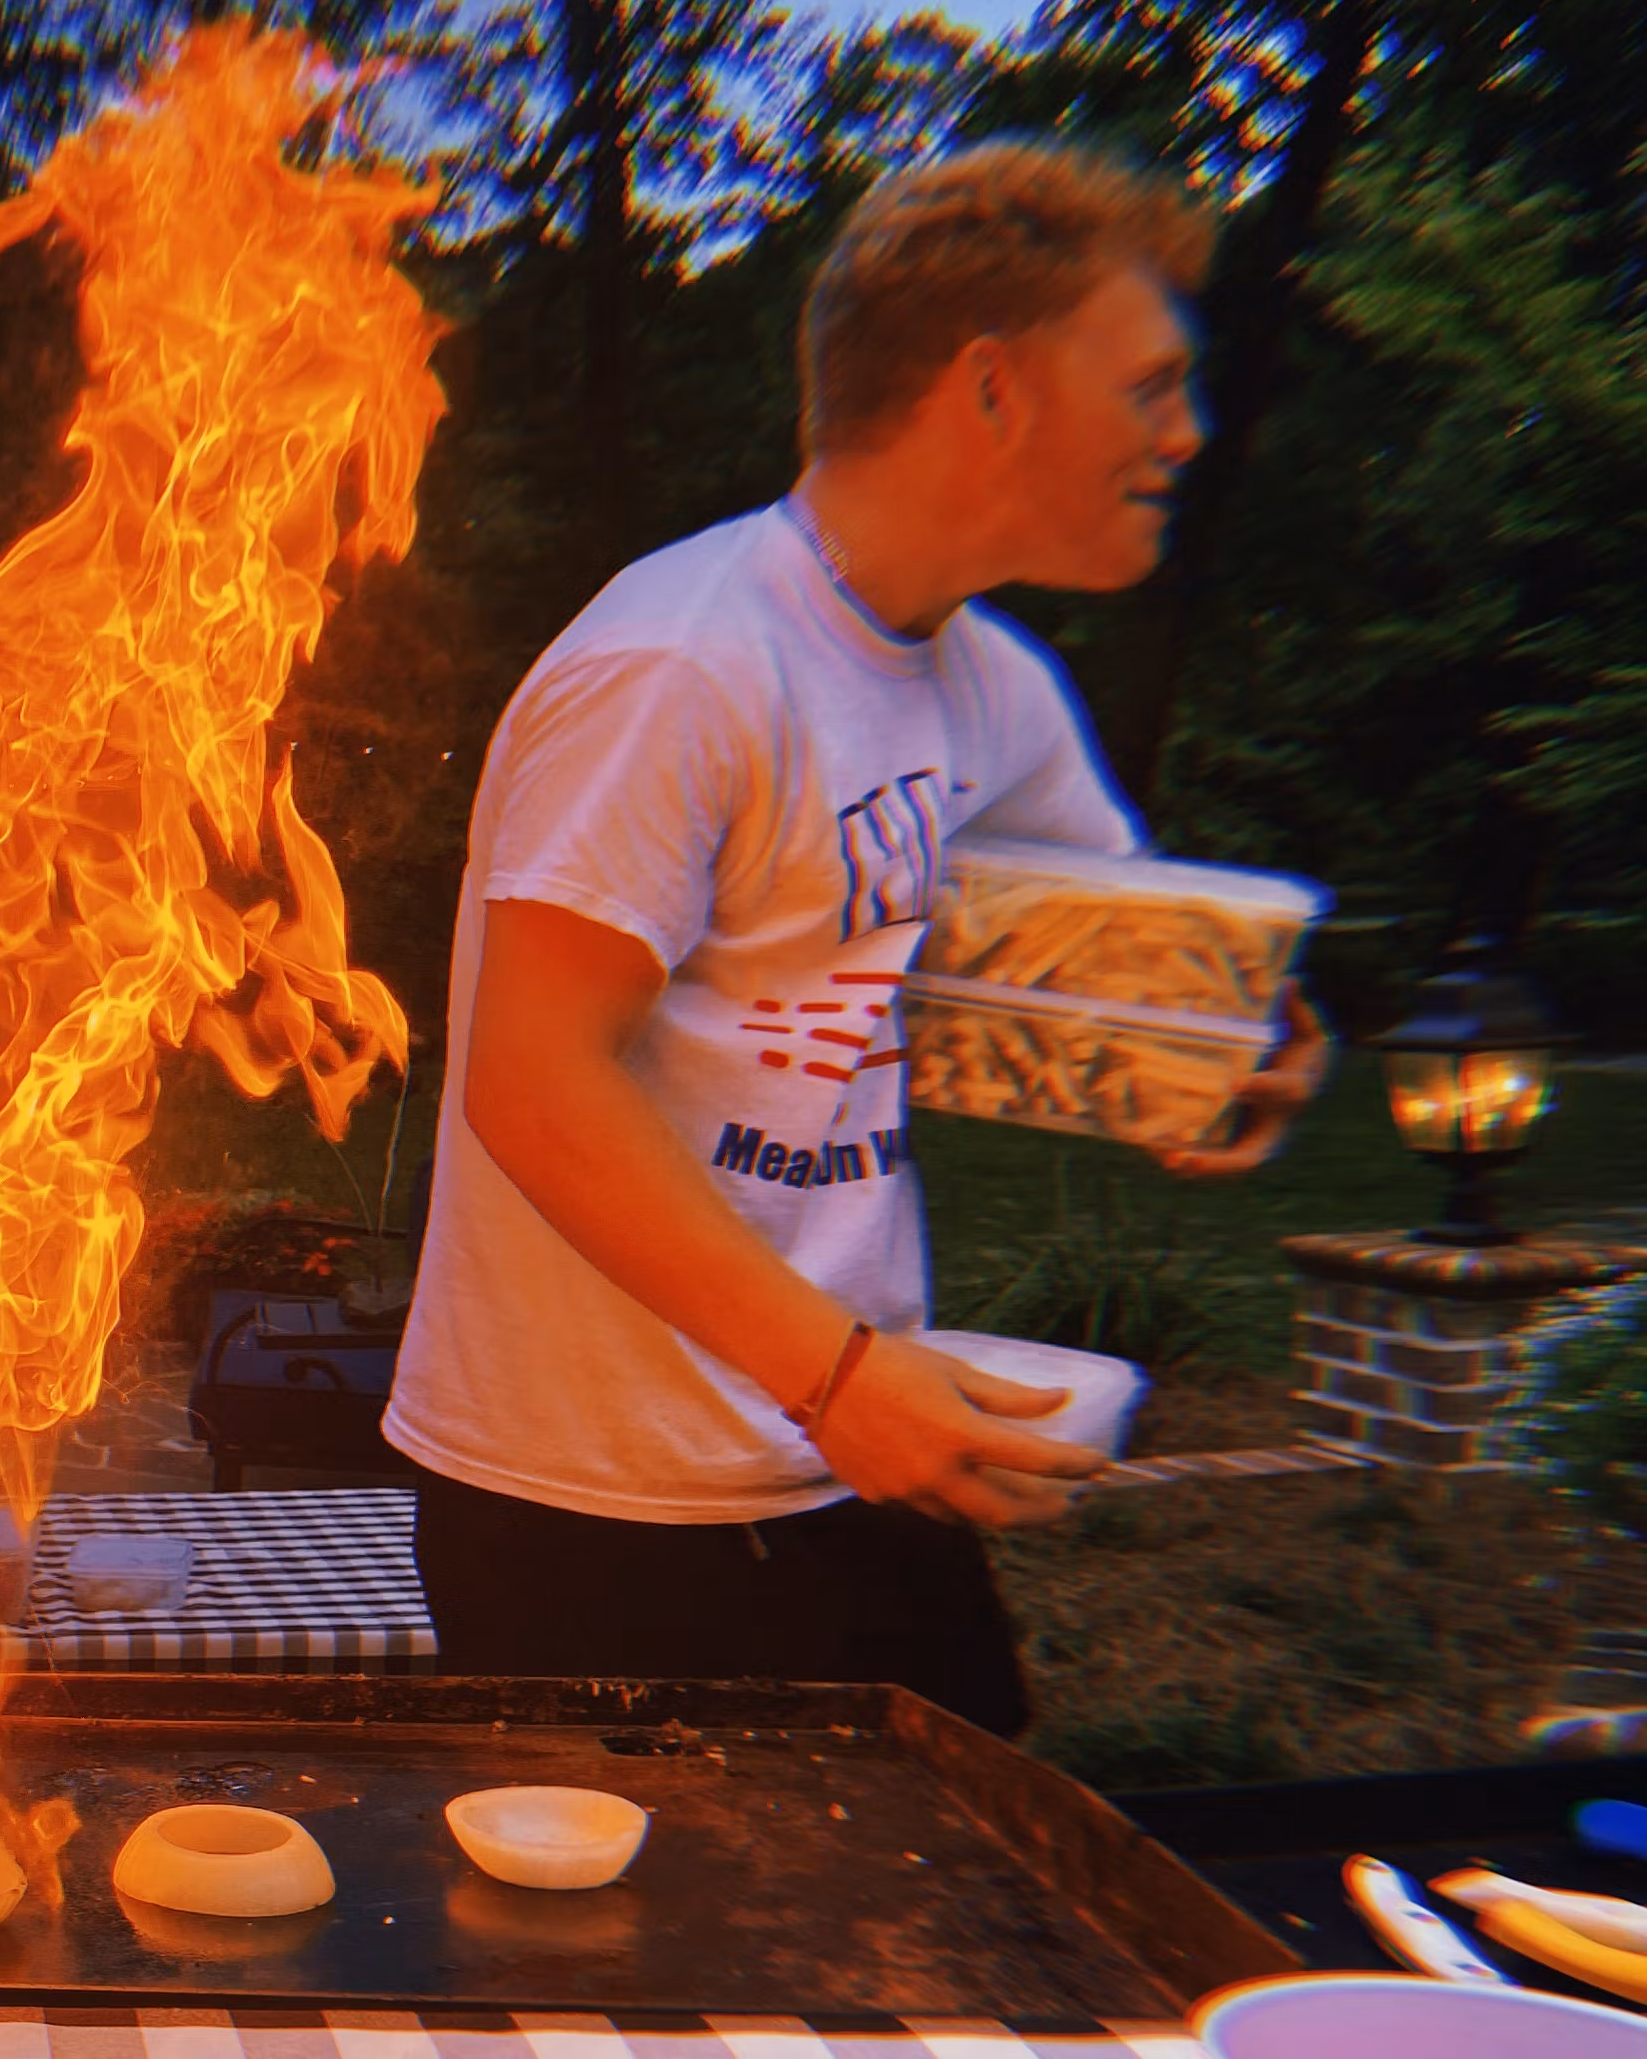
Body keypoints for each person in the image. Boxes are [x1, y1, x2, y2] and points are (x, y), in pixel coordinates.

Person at [379, 139, 1331, 1734]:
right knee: (651, 1974)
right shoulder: (684, 665)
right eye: (1154, 386)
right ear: (992, 388)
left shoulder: (990, 684)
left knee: (958, 1928)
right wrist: (830, 1377)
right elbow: (532, 1084)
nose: (1190, 433)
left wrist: (1227, 1061)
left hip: (854, 1447)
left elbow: (1120, 988)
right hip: (596, 1503)